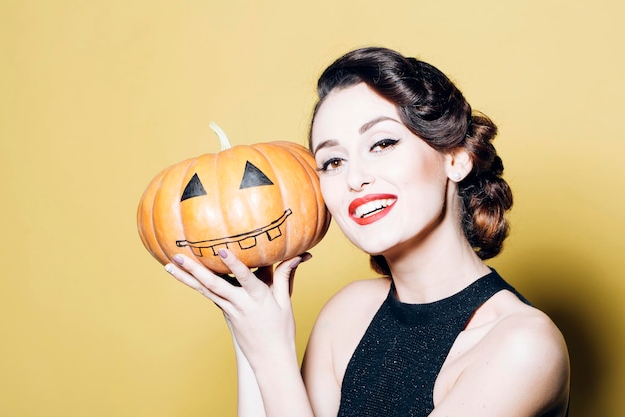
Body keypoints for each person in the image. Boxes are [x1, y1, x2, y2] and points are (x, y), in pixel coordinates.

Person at [163, 46, 571, 417]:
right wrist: (247, 325)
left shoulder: (523, 345)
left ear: (456, 158)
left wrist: (272, 354)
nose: (355, 178)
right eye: (333, 162)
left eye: (382, 143)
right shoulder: (347, 313)